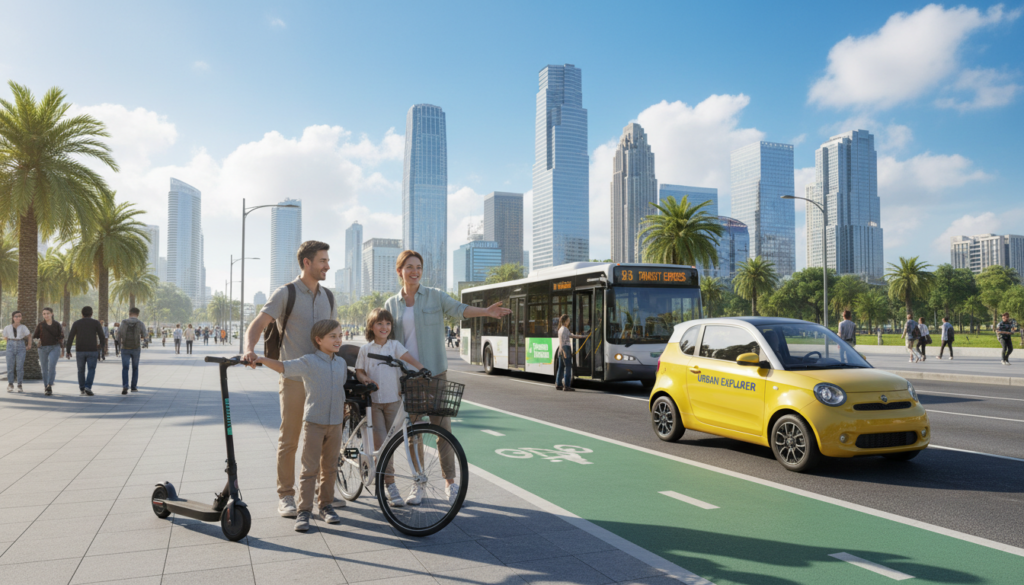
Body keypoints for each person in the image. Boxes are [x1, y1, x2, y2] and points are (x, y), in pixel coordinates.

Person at [384, 249, 510, 504]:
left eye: (418, 267)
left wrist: (486, 311)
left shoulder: (434, 296)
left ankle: (450, 484)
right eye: (409, 267)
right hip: (409, 378)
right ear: (400, 272)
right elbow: (388, 340)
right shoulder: (390, 304)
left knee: (443, 429)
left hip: (436, 374)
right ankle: (418, 484)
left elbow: (460, 309)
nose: (415, 271)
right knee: (414, 434)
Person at [243, 241, 335, 518]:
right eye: (322, 261)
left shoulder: (329, 296)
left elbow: (332, 336)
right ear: (307, 262)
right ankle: (286, 495)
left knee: (323, 439)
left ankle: (322, 496)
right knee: (291, 439)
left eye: (327, 260)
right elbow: (258, 324)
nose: (327, 266)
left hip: (323, 380)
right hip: (294, 377)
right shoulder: (286, 293)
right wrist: (249, 350)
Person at [253, 319, 347, 531]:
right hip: (314, 423)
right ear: (319, 339)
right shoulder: (309, 362)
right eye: (333, 336)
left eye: (340, 335)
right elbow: (284, 367)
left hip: (336, 424)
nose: (338, 340)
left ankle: (326, 506)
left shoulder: (340, 363)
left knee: (330, 468)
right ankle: (304, 511)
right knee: (309, 469)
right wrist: (259, 358)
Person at [355, 308, 428, 508]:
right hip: (375, 402)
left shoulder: (394, 346)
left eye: (387, 323)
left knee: (393, 443)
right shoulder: (366, 349)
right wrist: (365, 379)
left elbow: (409, 359)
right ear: (371, 326)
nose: (384, 327)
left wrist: (422, 369)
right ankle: (391, 486)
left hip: (394, 402)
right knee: (382, 445)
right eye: (379, 323)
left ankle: (386, 478)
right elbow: (359, 371)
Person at [66, 306, 106, 396]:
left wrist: (68, 351)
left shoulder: (76, 323)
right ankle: (88, 386)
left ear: (82, 314)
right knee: (91, 369)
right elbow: (102, 337)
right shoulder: (96, 323)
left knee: (81, 370)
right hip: (92, 350)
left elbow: (70, 337)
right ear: (91, 314)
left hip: (80, 350)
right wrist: (100, 347)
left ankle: (82, 388)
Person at [32, 307, 64, 396]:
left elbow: (62, 337)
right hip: (42, 348)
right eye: (44, 314)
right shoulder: (40, 325)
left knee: (51, 365)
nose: (46, 315)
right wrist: (37, 342)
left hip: (54, 347)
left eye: (48, 313)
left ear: (52, 314)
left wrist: (62, 350)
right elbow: (35, 337)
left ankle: (50, 384)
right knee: (44, 368)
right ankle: (46, 386)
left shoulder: (57, 324)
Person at [118, 307, 148, 395]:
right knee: (135, 368)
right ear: (138, 314)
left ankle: (125, 386)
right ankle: (134, 387)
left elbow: (118, 335)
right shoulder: (140, 323)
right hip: (136, 348)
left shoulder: (123, 323)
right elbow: (145, 335)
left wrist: (119, 345)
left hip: (125, 348)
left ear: (129, 313)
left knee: (125, 367)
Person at [555, 315, 586, 391]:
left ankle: (558, 384)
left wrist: (561, 350)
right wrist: (564, 352)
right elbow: (571, 337)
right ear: (565, 321)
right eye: (568, 320)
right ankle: (567, 386)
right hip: (565, 348)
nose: (569, 322)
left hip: (560, 349)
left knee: (561, 367)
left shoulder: (560, 329)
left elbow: (569, 336)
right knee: (568, 367)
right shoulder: (565, 329)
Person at [4, 311, 31, 393]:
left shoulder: (23, 327)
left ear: (21, 318)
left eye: (19, 316)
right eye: (16, 316)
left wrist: (29, 345)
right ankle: (10, 384)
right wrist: (10, 344)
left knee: (19, 367)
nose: (18, 318)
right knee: (10, 367)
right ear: (13, 317)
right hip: (10, 345)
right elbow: (5, 337)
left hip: (21, 345)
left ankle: (19, 385)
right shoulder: (7, 327)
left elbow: (29, 335)